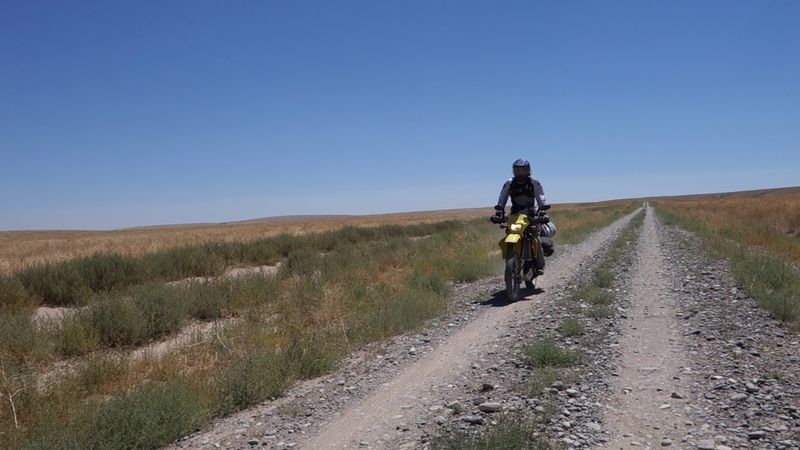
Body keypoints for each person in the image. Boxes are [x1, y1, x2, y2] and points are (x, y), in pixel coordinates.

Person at [492, 159, 556, 273]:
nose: (520, 173)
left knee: (536, 238)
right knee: (509, 233)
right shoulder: (509, 183)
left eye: (523, 171)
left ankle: (539, 265)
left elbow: (541, 197)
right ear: (513, 171)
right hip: (515, 214)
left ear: (529, 171)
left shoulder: (534, 183)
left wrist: (542, 212)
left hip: (531, 213)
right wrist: (499, 211)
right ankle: (512, 260)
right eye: (517, 171)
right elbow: (502, 197)